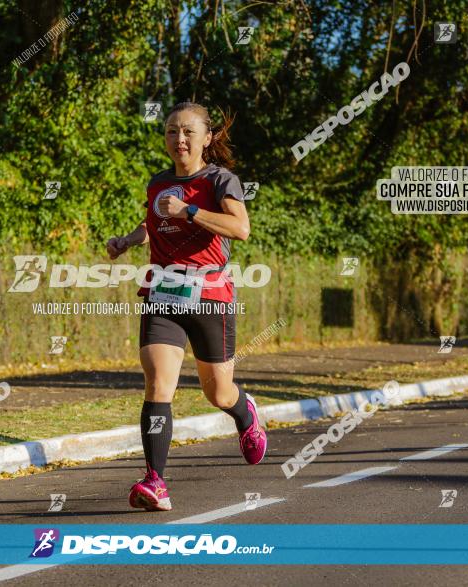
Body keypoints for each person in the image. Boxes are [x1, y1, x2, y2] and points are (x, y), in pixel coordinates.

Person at [106, 101, 267, 512]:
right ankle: (155, 480)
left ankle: (244, 413)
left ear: (206, 138)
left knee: (218, 392)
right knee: (159, 384)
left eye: (188, 132)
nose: (178, 139)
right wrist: (127, 240)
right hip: (163, 291)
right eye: (171, 132)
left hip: (210, 294)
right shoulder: (158, 182)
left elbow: (240, 228)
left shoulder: (219, 179)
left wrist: (191, 210)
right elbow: (153, 222)